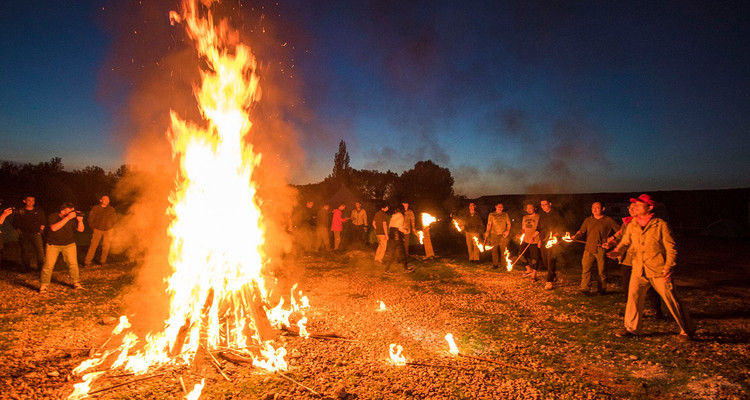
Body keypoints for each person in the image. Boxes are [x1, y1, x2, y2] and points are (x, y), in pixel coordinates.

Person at [607, 194, 696, 340]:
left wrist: (669, 267)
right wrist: (617, 251)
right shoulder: (632, 224)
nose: (634, 206)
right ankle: (632, 328)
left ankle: (687, 329)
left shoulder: (661, 225)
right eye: (633, 204)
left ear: (650, 207)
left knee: (672, 300)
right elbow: (624, 243)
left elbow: (671, 248)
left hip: (658, 270)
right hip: (638, 269)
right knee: (634, 298)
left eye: (639, 204)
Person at [605, 202, 664, 318]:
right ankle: (630, 313)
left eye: (634, 207)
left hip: (643, 261)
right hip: (627, 261)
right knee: (627, 289)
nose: (632, 209)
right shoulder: (627, 223)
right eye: (630, 207)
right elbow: (622, 239)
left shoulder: (650, 223)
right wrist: (611, 244)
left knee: (652, 288)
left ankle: (657, 311)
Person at [570, 202, 620, 295]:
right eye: (593, 207)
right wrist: (575, 236)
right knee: (586, 268)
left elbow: (620, 231)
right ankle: (585, 288)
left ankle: (602, 289)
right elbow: (581, 231)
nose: (594, 209)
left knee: (601, 270)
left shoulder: (608, 220)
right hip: (588, 248)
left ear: (603, 209)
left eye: (597, 207)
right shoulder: (588, 220)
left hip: (601, 248)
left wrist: (611, 240)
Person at [40, 202, 85, 293]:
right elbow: (54, 228)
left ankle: (76, 282)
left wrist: (80, 221)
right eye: (70, 210)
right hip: (53, 245)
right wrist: (68, 218)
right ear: (62, 210)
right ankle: (44, 285)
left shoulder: (72, 218)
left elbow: (81, 230)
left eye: (73, 210)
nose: (72, 212)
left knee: (73, 264)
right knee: (48, 265)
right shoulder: (53, 216)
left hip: (69, 244)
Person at [13, 196, 46, 270]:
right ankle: (27, 268)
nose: (31, 202)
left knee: (40, 251)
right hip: (24, 234)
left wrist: (40, 231)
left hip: (36, 233)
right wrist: (19, 232)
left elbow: (43, 221)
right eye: (29, 200)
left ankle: (41, 268)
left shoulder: (38, 211)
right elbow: (15, 223)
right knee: (25, 251)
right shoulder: (20, 211)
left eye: (33, 200)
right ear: (24, 201)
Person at [84, 195, 117, 267]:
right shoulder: (96, 208)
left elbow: (114, 219)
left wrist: (111, 227)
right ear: (101, 200)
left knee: (106, 246)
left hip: (108, 230)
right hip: (98, 230)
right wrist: (93, 228)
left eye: (108, 199)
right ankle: (87, 262)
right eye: (105, 199)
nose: (107, 201)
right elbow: (90, 219)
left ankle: (103, 261)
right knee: (93, 246)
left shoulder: (111, 209)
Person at [538, 199, 564, 289]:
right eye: (542, 205)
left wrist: (556, 234)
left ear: (550, 204)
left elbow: (560, 226)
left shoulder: (556, 214)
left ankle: (549, 281)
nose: (543, 206)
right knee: (545, 260)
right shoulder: (542, 215)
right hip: (543, 240)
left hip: (553, 240)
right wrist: (537, 238)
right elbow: (539, 228)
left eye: (545, 204)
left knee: (550, 259)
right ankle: (553, 274)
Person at [385, 205, 412, 273]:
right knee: (402, 252)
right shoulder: (401, 216)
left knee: (391, 253)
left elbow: (390, 227)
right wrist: (406, 231)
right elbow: (400, 228)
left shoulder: (392, 217)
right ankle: (405, 269)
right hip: (398, 237)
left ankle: (386, 269)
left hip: (391, 237)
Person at [484, 202, 511, 270]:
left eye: (501, 206)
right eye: (498, 206)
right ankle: (495, 264)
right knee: (494, 250)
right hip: (494, 235)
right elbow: (489, 224)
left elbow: (508, 223)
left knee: (503, 250)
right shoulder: (492, 214)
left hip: (503, 235)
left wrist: (507, 231)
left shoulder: (505, 214)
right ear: (495, 206)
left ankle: (503, 265)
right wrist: (487, 231)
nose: (500, 208)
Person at [519, 203, 541, 280]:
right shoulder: (525, 217)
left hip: (535, 240)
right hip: (525, 239)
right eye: (527, 208)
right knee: (521, 255)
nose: (529, 209)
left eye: (530, 208)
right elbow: (523, 229)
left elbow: (541, 229)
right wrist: (520, 234)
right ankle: (529, 270)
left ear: (534, 208)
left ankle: (534, 275)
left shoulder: (538, 217)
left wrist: (538, 239)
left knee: (535, 258)